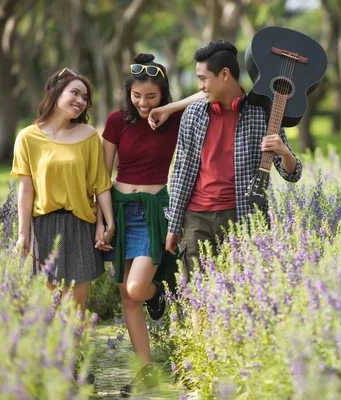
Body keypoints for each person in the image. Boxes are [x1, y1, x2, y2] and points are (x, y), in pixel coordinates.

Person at [99, 53, 205, 397]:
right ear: (127, 94)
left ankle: (158, 295)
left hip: (153, 210)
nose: (143, 103)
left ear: (163, 95)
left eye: (151, 97)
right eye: (137, 96)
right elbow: (102, 174)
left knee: (136, 289)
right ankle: (145, 370)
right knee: (126, 296)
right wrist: (104, 221)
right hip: (120, 209)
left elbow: (207, 94)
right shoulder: (116, 121)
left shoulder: (173, 120)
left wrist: (171, 110)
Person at [165, 40, 303, 279]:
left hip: (243, 218)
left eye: (203, 78)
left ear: (225, 75)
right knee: (197, 294)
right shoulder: (193, 114)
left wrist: (285, 152)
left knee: (243, 292)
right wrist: (174, 224)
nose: (200, 86)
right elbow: (181, 173)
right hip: (196, 219)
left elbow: (292, 173)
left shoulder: (262, 114)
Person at [12, 67, 115, 385]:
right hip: (44, 227)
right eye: (75, 93)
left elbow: (101, 185)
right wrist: (22, 234)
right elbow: (26, 190)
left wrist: (106, 223)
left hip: (80, 226)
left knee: (77, 305)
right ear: (56, 93)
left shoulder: (88, 137)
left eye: (85, 97)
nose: (81, 101)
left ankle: (72, 367)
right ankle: (53, 367)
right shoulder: (27, 137)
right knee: (52, 303)